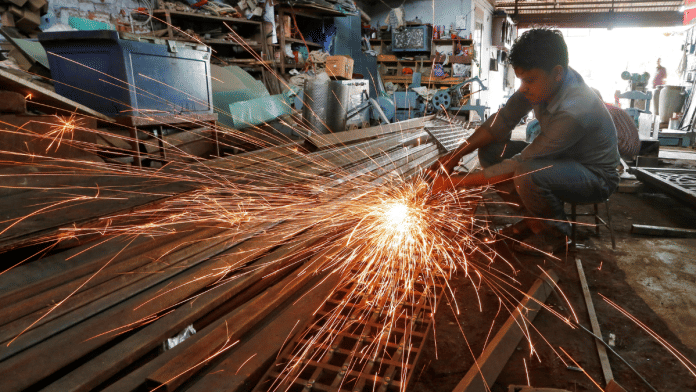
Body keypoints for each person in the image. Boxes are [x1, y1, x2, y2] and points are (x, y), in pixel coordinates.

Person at [428, 28, 620, 254]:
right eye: (520, 80)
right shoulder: (546, 81)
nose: (523, 88)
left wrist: (454, 183)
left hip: (595, 175)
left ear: (557, 73)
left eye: (529, 80)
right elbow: (501, 122)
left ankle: (557, 236)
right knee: (492, 152)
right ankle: (536, 219)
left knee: (527, 174)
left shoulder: (575, 110)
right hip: (560, 159)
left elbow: (518, 164)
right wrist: (454, 155)